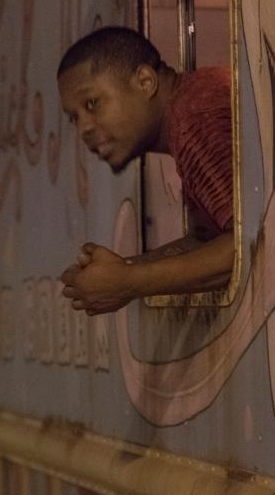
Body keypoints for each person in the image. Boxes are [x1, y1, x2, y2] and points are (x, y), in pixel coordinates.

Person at [57, 26, 233, 315]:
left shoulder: (195, 116)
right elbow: (209, 241)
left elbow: (248, 245)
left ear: (145, 81)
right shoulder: (192, 105)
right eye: (74, 118)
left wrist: (128, 281)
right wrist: (122, 270)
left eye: (92, 104)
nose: (84, 128)